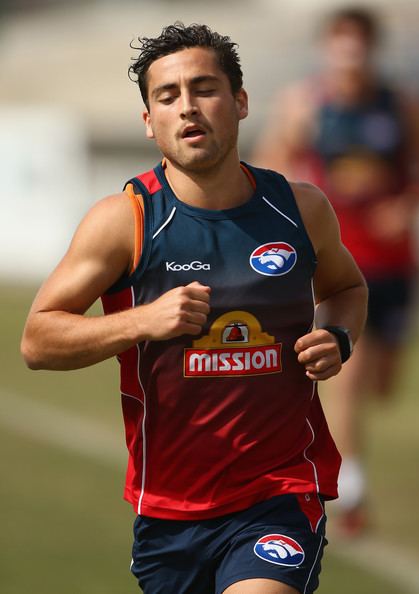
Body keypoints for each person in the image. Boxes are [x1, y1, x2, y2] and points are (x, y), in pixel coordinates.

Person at [21, 23, 367, 594]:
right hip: (168, 511)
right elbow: (37, 340)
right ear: (149, 121)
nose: (188, 107)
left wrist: (339, 339)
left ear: (240, 102)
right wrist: (142, 320)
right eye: (168, 96)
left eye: (204, 88)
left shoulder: (300, 209)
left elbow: (347, 290)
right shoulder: (123, 220)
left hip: (277, 494)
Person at [253, 6, 419, 536]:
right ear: (328, 50)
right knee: (349, 377)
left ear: (371, 50)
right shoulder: (305, 104)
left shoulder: (401, 105)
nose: (349, 55)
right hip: (336, 264)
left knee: (384, 382)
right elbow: (270, 165)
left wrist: (408, 206)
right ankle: (353, 490)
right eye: (340, 43)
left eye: (359, 44)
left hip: (394, 263)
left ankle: (354, 470)